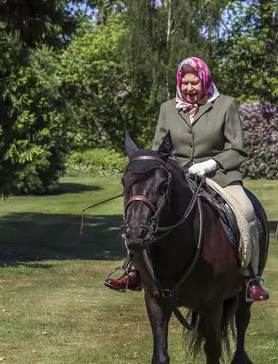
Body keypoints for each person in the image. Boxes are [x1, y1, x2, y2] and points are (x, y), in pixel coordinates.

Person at [105, 57, 269, 302]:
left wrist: (211, 164)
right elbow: (160, 150)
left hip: (220, 176)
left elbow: (237, 149)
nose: (190, 88)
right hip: (178, 177)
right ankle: (134, 270)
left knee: (246, 211)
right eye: (186, 83)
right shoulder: (167, 108)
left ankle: (250, 276)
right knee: (141, 213)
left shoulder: (225, 105)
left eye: (195, 83)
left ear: (204, 80)